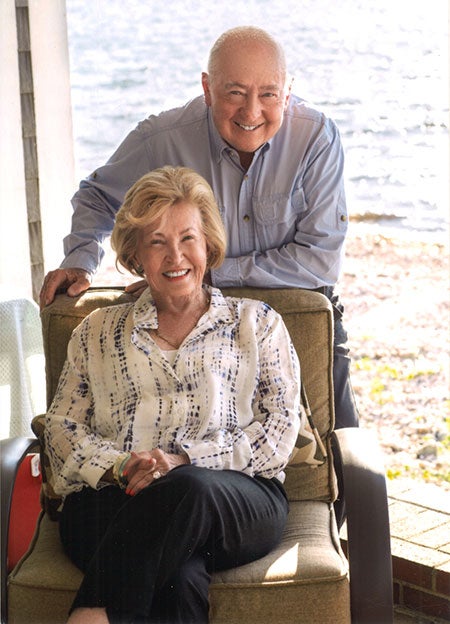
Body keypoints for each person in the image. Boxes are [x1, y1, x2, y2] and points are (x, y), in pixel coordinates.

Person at [40, 26, 358, 524]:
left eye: (267, 95)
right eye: (234, 93)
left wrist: (198, 265)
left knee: (340, 458)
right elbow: (97, 196)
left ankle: (345, 558)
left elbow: (318, 260)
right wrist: (81, 258)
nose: (251, 112)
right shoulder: (161, 138)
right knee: (182, 465)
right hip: (184, 314)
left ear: (287, 91)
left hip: (299, 316)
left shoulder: (316, 139)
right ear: (208, 88)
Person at [45, 166, 301, 624]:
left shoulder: (258, 323)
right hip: (110, 499)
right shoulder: (96, 332)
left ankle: (90, 614)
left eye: (188, 238)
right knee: (179, 575)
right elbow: (62, 433)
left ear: (209, 246)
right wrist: (122, 465)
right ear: (136, 255)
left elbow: (279, 432)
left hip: (234, 498)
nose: (175, 256)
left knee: (186, 487)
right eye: (157, 241)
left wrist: (183, 461)